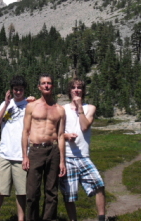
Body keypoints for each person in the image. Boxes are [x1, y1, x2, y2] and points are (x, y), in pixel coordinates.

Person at [60, 78, 106, 221]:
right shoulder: (62, 109)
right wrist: (66, 136)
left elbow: (85, 126)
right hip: (67, 156)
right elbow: (56, 131)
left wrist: (80, 108)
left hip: (83, 156)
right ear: (69, 90)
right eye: (73, 87)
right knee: (69, 194)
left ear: (83, 90)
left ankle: (101, 217)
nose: (76, 90)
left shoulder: (89, 108)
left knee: (99, 185)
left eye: (79, 87)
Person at [22, 73, 66, 221]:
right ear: (39, 87)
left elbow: (60, 136)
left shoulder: (60, 109)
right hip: (36, 150)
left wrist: (62, 161)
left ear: (52, 86)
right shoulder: (31, 106)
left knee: (52, 192)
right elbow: (26, 131)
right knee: (32, 192)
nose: (46, 85)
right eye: (44, 83)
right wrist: (25, 156)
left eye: (49, 83)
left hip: (53, 150)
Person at [0, 75, 32, 221]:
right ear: (11, 90)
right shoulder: (5, 104)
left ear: (24, 90)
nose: (18, 92)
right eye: (15, 90)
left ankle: (21, 219)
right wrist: (6, 105)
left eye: (20, 90)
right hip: (5, 154)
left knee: (21, 192)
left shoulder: (30, 105)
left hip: (21, 155)